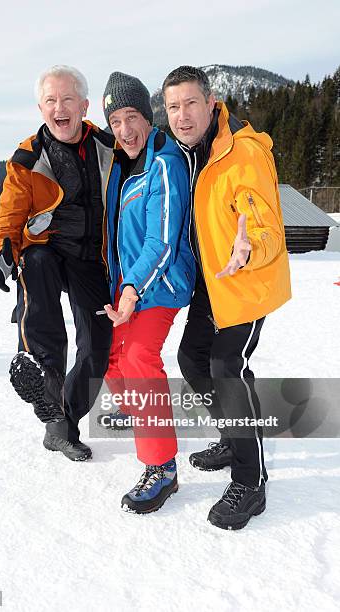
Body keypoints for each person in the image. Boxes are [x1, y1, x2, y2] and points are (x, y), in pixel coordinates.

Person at [162, 65, 291, 529]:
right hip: (212, 283)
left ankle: (251, 481)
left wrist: (248, 247)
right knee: (192, 360)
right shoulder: (190, 151)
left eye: (190, 103)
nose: (182, 115)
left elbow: (268, 230)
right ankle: (233, 436)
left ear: (212, 100)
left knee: (225, 367)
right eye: (173, 107)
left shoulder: (243, 153)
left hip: (247, 283)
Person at [0, 65, 114, 462]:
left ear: (84, 105)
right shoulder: (27, 158)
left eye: (68, 99)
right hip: (49, 248)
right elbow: (9, 214)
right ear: (41, 108)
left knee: (97, 346)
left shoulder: (109, 146)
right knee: (35, 263)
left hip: (91, 256)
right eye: (51, 101)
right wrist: (0, 251)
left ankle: (62, 421)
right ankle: (38, 367)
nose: (59, 108)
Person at [101, 72, 195, 514]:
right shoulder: (123, 166)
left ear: (147, 115)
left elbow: (162, 241)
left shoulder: (163, 160)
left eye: (132, 116)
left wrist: (133, 289)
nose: (125, 129)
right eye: (116, 120)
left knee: (139, 358)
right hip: (132, 284)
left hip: (163, 282)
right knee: (108, 353)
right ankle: (137, 411)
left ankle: (163, 468)